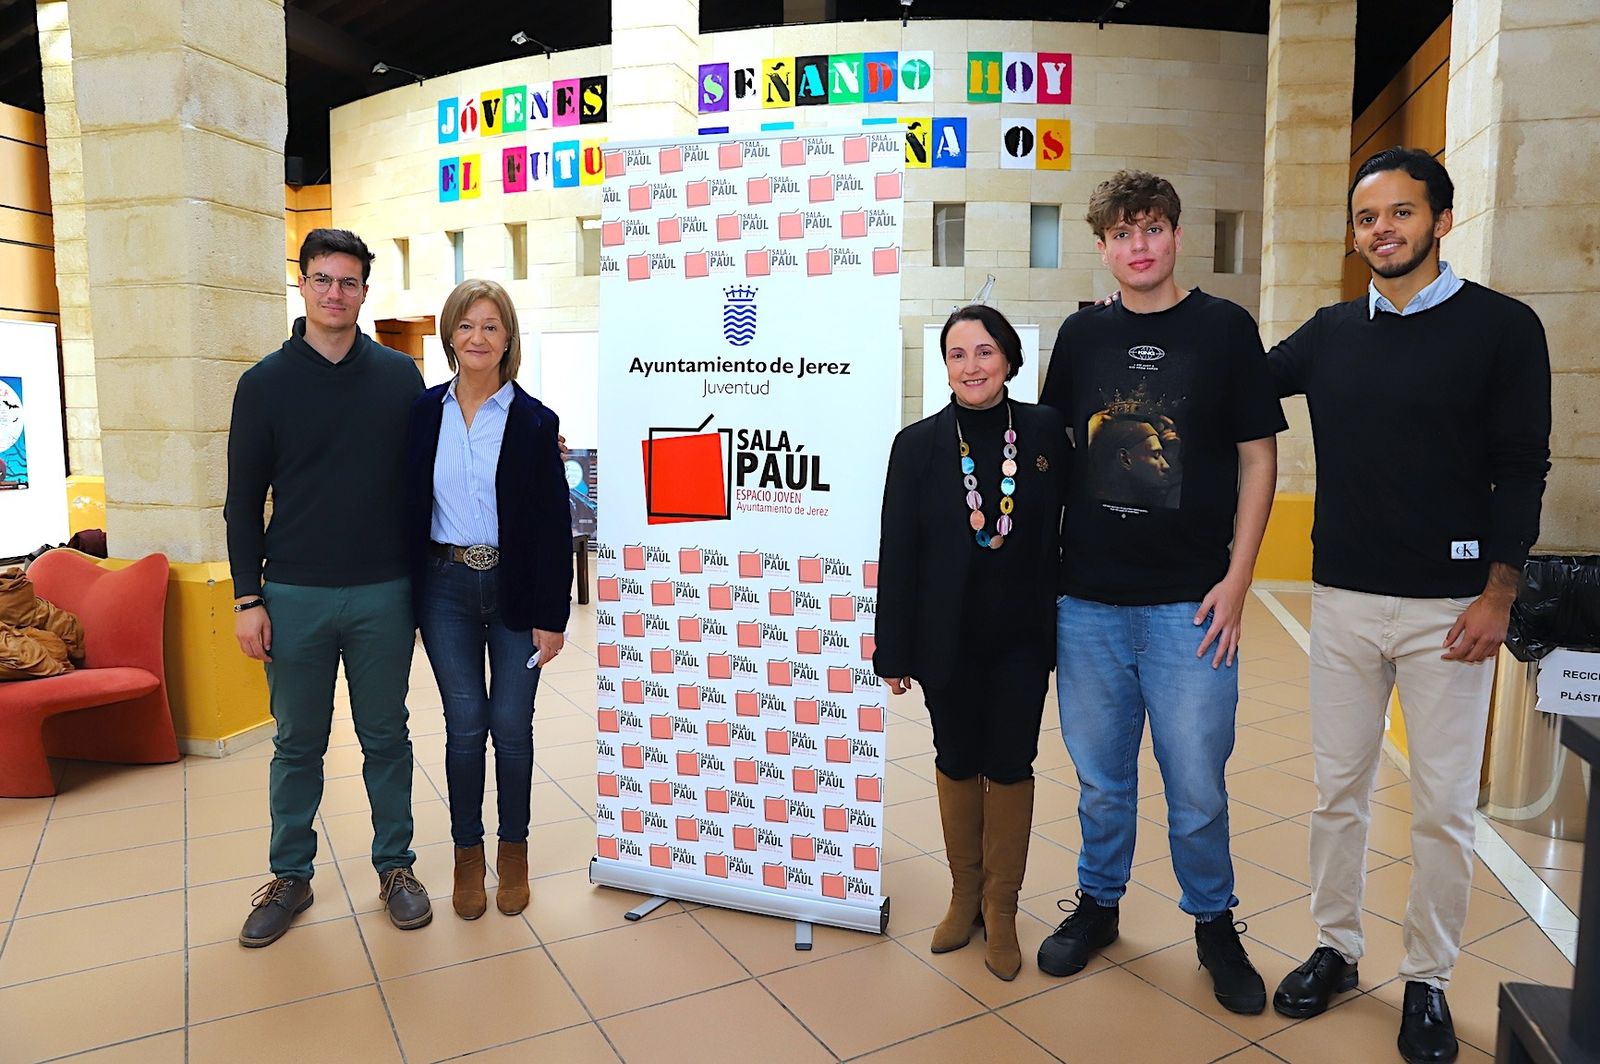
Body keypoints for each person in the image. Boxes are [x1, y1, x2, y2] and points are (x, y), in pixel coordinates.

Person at [1265, 148, 1551, 1064]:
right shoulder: (1330, 331)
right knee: (1336, 793)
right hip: (1343, 598)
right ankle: (1336, 950)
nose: (1380, 230)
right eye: (1366, 218)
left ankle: (1427, 981)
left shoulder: (1504, 328)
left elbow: (1521, 468)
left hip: (1453, 612)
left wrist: (1500, 594)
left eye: (1399, 213)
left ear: (1440, 220)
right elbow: (1236, 381)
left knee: (1439, 808)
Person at [1035, 171, 1286, 1014]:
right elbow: (1050, 454)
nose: (1139, 245)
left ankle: (1214, 923)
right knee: (1101, 781)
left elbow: (1258, 456)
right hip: (1089, 603)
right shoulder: (1078, 339)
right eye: (1122, 233)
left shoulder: (1225, 329)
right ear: (1103, 248)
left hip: (1191, 605)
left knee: (1198, 786)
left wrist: (1239, 578)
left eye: (1152, 228)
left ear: (1176, 237)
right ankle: (1099, 905)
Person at [226, 229, 431, 947]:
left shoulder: (400, 377)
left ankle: (396, 869)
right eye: (322, 279)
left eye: (348, 282)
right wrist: (247, 600)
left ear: (364, 292)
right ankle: (291, 876)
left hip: (384, 590)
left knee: (386, 737)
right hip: (295, 596)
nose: (335, 292)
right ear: (304, 286)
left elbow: (434, 470)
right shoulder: (263, 385)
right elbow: (242, 501)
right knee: (297, 745)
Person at [872, 304, 1069, 981]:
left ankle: (1003, 906)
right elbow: (898, 551)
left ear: (1009, 359)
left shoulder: (1044, 431)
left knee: (1010, 763)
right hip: (944, 641)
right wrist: (892, 651)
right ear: (945, 366)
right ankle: (964, 896)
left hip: (1022, 639)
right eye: (957, 354)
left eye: (984, 352)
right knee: (956, 757)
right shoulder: (918, 444)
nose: (971, 366)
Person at [403, 279, 572, 920]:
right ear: (450, 335)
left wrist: (551, 618)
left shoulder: (535, 422)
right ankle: (466, 855)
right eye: (467, 325)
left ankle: (515, 851)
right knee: (465, 727)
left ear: (508, 339)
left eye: (491, 326)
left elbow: (553, 526)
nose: (478, 337)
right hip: (443, 587)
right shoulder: (422, 414)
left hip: (516, 588)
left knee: (511, 725)